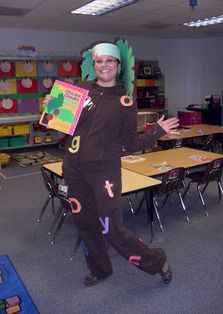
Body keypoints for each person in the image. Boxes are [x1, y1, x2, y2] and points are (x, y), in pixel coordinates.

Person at [43, 41, 179, 287]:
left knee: (112, 230)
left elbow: (132, 144)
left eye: (110, 60)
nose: (104, 65)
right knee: (84, 224)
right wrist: (51, 111)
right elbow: (59, 132)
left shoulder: (125, 102)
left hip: (104, 174)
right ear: (93, 64)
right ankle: (100, 269)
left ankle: (156, 260)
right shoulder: (79, 91)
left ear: (118, 65)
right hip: (73, 170)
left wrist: (157, 131)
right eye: (99, 60)